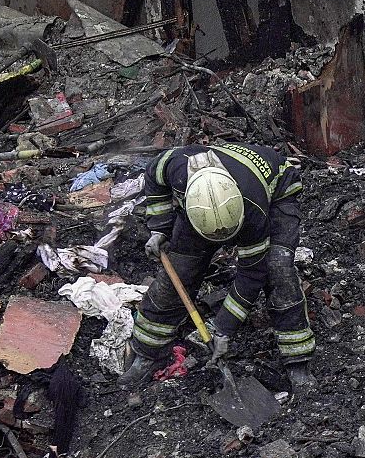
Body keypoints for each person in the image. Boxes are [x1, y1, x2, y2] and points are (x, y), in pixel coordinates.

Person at [119, 143, 315, 388]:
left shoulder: (254, 211)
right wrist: (159, 229)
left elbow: (252, 274)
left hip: (276, 190)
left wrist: (224, 329)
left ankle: (297, 360)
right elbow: (153, 175)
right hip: (208, 203)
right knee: (179, 272)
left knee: (277, 268)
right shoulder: (175, 167)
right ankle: (148, 352)